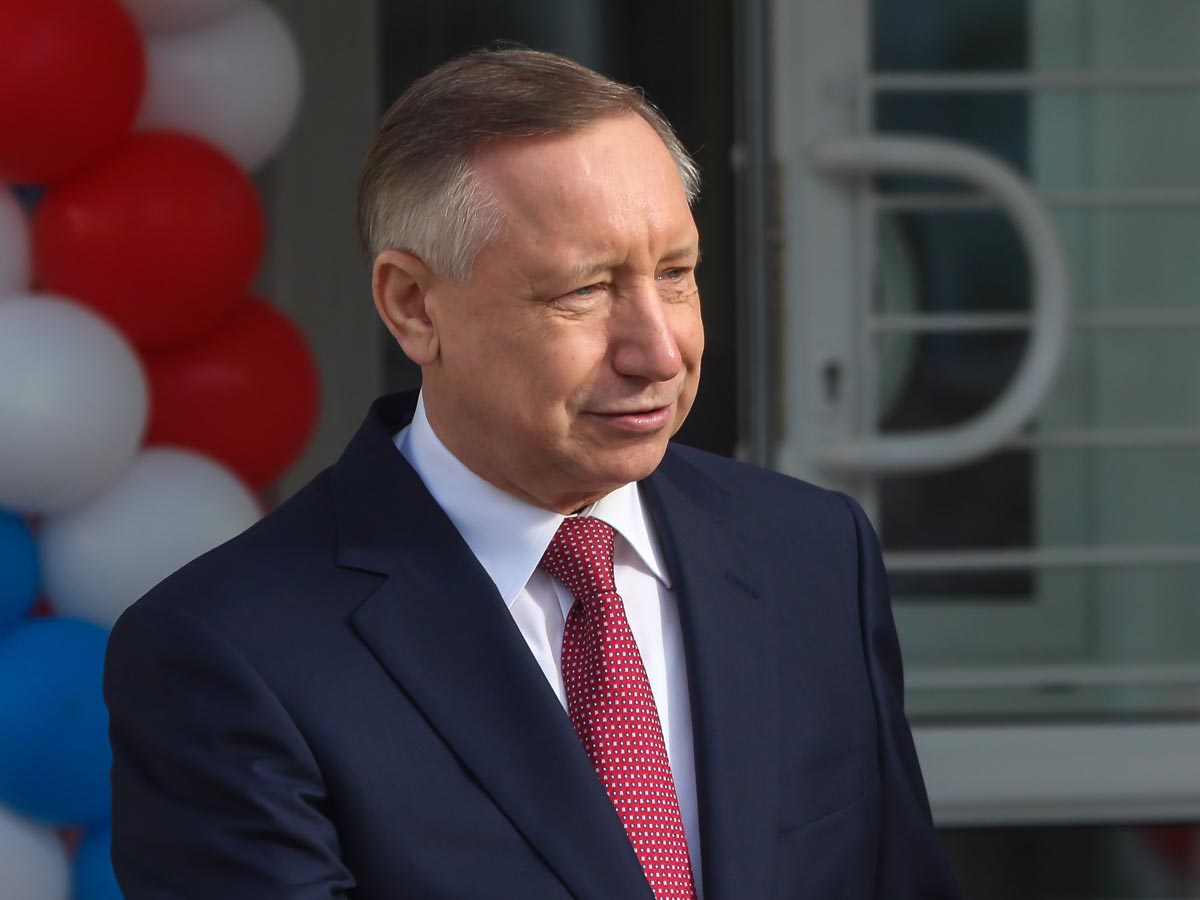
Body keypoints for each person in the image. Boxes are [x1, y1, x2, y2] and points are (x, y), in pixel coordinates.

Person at [104, 48, 960, 900]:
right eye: (584, 291)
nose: (659, 352)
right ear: (413, 305)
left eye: (676, 274)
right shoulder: (228, 653)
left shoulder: (813, 553)